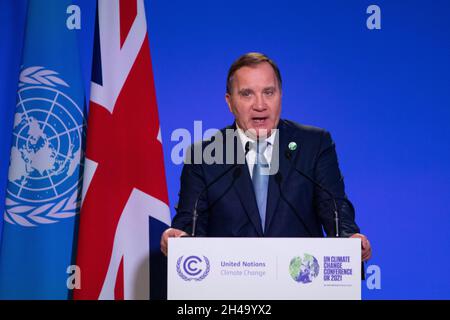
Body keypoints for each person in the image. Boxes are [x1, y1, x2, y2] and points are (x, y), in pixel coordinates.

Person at [161, 52, 371, 262]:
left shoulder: (314, 145)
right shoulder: (204, 155)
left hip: (300, 283)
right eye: (247, 94)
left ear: (281, 95)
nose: (260, 105)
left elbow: (334, 209)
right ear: (229, 102)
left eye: (269, 92)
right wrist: (180, 238)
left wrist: (349, 238)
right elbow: (190, 222)